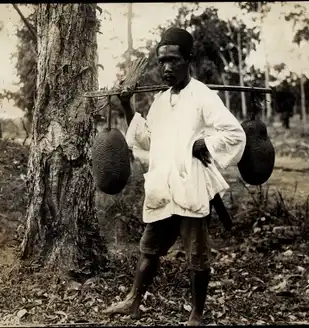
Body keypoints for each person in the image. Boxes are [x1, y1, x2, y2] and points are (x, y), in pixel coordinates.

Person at [103, 27, 246, 325]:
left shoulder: (203, 96)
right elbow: (146, 140)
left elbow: (234, 134)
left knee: (196, 254)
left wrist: (203, 143)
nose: (166, 68)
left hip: (190, 185)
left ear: (188, 59)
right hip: (163, 185)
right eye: (161, 62)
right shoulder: (160, 100)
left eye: (173, 60)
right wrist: (127, 105)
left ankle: (196, 315)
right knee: (149, 248)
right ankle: (133, 302)